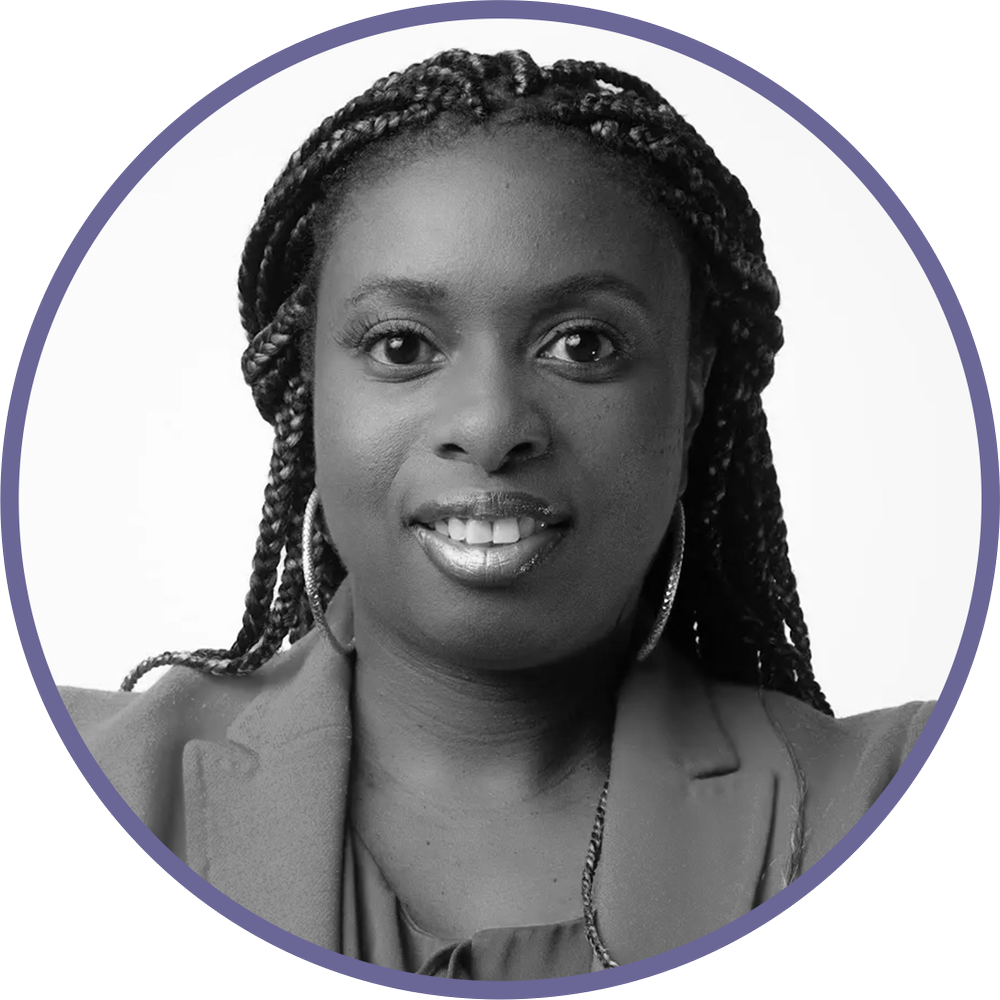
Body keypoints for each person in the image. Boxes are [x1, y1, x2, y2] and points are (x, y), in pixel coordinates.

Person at [59, 49, 933, 981]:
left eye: (583, 345)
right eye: (403, 345)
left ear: (692, 388)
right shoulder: (71, 788)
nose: (489, 426)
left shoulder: (913, 802)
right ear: (306, 389)